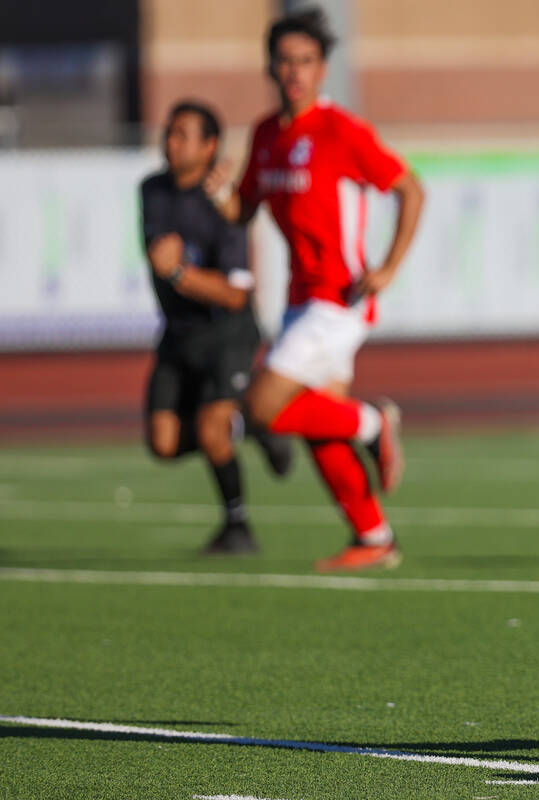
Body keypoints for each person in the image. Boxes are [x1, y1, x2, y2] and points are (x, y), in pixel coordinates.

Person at [205, 8, 425, 572]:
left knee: (260, 409)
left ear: (322, 68)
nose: (295, 72)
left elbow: (410, 189)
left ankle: (373, 422)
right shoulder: (265, 135)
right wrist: (220, 193)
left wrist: (389, 267)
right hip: (301, 301)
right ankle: (374, 538)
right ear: (271, 68)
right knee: (317, 424)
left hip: (340, 299)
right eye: (285, 61)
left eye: (305, 61)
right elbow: (243, 210)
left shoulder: (340, 130)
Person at [141, 100, 293, 555]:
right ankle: (253, 423)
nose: (171, 142)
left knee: (211, 428)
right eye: (169, 132)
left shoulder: (223, 204)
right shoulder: (152, 190)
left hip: (227, 332)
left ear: (210, 146)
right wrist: (175, 273)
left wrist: (180, 274)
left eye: (183, 135)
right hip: (178, 332)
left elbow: (234, 293)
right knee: (163, 443)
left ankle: (237, 527)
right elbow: (157, 252)